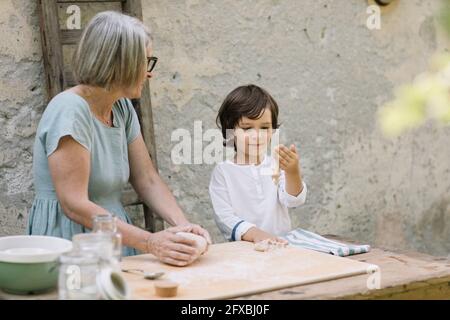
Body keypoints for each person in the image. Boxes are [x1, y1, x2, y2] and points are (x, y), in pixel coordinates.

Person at [27, 11, 210, 266]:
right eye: (145, 62)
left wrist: (183, 226)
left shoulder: (121, 108)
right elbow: (74, 204)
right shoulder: (69, 110)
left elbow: (147, 179)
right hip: (72, 241)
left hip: (115, 237)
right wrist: (150, 242)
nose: (150, 73)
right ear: (120, 63)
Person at [209, 84, 307, 243]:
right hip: (245, 251)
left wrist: (292, 172)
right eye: (247, 128)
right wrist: (257, 235)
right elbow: (224, 217)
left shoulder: (276, 164)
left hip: (282, 247)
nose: (257, 135)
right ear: (231, 131)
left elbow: (294, 201)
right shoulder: (223, 172)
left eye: (264, 127)